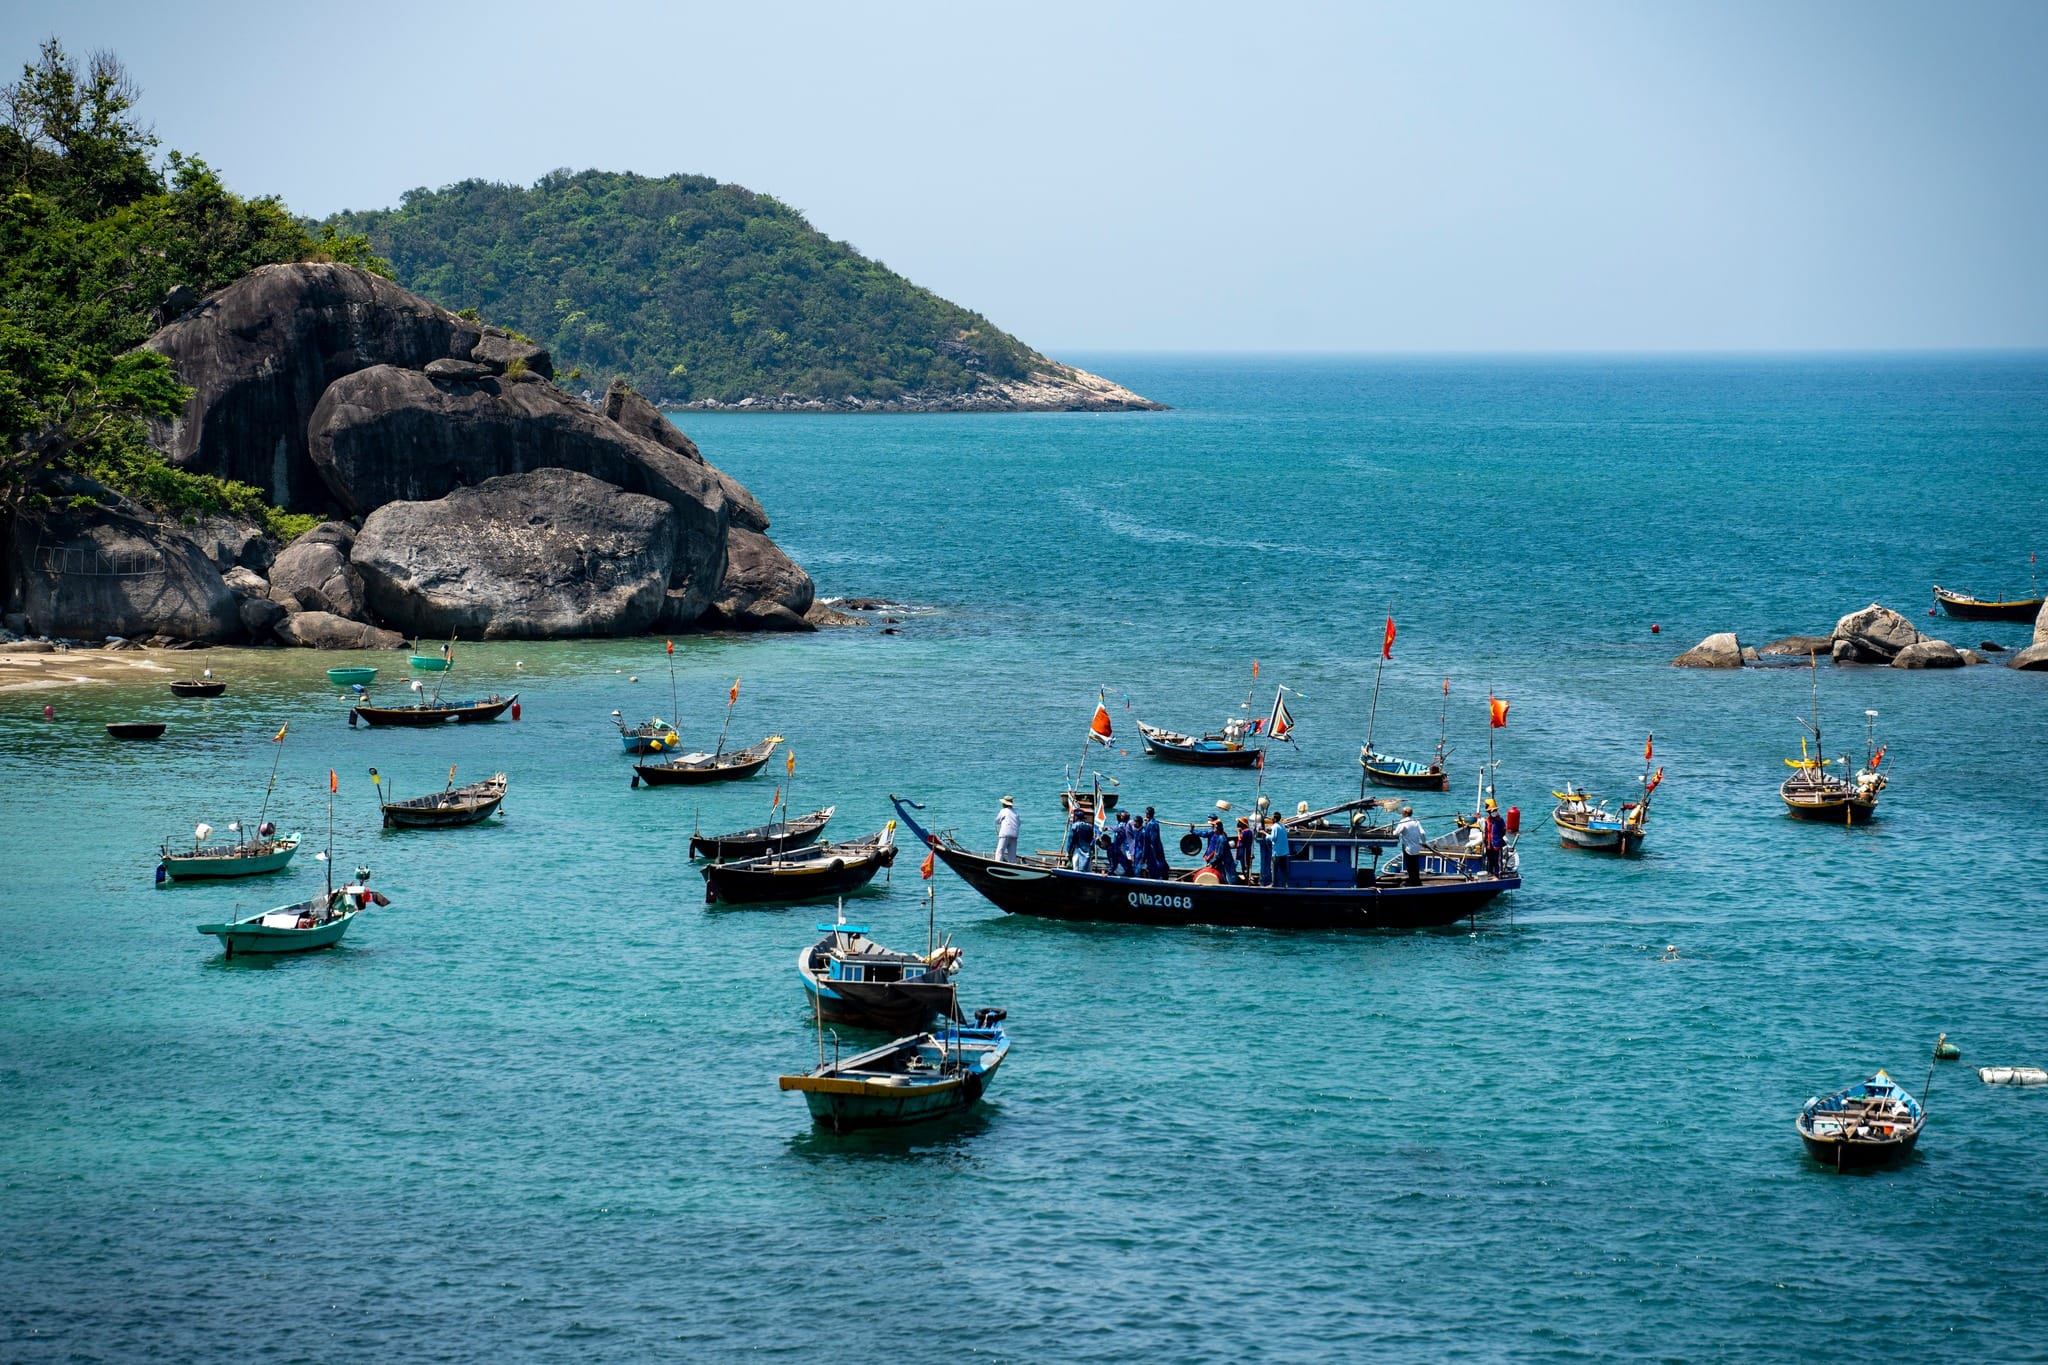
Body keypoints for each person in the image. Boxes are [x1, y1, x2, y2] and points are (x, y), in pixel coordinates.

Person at [1394, 805, 1426, 885]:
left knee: (1409, 866)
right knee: (1415, 866)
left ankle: (1413, 881)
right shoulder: (1416, 821)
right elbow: (1422, 833)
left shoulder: (1403, 822)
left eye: (1403, 812)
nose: (1401, 813)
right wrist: (1424, 842)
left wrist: (1392, 831)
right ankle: (1416, 880)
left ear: (1405, 813)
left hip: (1408, 848)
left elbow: (1396, 833)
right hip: (1416, 848)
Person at [1203, 816, 1236, 883]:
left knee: (1228, 878)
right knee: (1224, 876)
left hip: (1226, 862)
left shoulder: (1221, 839)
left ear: (1217, 829)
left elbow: (1219, 854)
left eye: (1214, 828)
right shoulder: (1219, 837)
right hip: (1223, 861)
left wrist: (1211, 862)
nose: (1213, 829)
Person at [1138, 807, 1168, 879]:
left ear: (1147, 814)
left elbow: (1153, 840)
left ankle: (1159, 878)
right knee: (1158, 863)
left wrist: (1147, 852)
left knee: (1155, 865)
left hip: (1153, 849)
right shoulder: (1153, 823)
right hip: (1157, 848)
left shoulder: (1152, 824)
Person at [1066, 807, 1097, 872]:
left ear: (1076, 817)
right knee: (1087, 869)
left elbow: (1070, 840)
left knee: (1076, 868)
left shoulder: (1075, 826)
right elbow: (1092, 840)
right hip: (1087, 851)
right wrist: (1093, 850)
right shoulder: (1090, 826)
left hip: (1078, 850)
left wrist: (1068, 850)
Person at [1107, 810, 1136, 876]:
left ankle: (1129, 873)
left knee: (1124, 860)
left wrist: (1108, 828)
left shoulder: (1125, 824)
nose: (1119, 817)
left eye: (1120, 816)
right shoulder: (1124, 823)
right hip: (1123, 846)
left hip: (1124, 846)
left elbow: (1118, 829)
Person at [1482, 799, 1507, 877]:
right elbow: (1485, 831)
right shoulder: (1487, 820)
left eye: (1495, 811)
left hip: (1497, 844)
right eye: (1492, 811)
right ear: (1489, 812)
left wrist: (1499, 839)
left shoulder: (1500, 820)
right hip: (1489, 845)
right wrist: (1485, 842)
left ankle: (1498, 874)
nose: (1494, 812)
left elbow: (1504, 831)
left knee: (1498, 861)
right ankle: (1490, 873)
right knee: (1490, 860)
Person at [995, 796, 1020, 864]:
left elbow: (997, 821)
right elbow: (1019, 823)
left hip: (1005, 833)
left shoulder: (1003, 811)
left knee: (1000, 851)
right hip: (1015, 834)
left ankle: (997, 863)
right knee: (1012, 854)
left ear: (1004, 804)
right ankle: (1012, 864)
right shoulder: (1016, 812)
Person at [1267, 813, 1291, 888]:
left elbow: (1273, 838)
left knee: (1274, 869)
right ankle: (1285, 884)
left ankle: (1273, 884)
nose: (1271, 818)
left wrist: (1265, 834)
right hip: (1284, 852)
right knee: (1284, 870)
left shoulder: (1275, 827)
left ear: (1274, 819)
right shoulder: (1282, 826)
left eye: (1272, 817)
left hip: (1277, 853)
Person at [1234, 817, 1255, 884]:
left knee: (1245, 866)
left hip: (1244, 851)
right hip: (1244, 850)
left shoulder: (1246, 831)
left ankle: (1247, 880)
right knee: (1245, 865)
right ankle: (1247, 878)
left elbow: (1240, 838)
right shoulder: (1248, 831)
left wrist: (1238, 832)